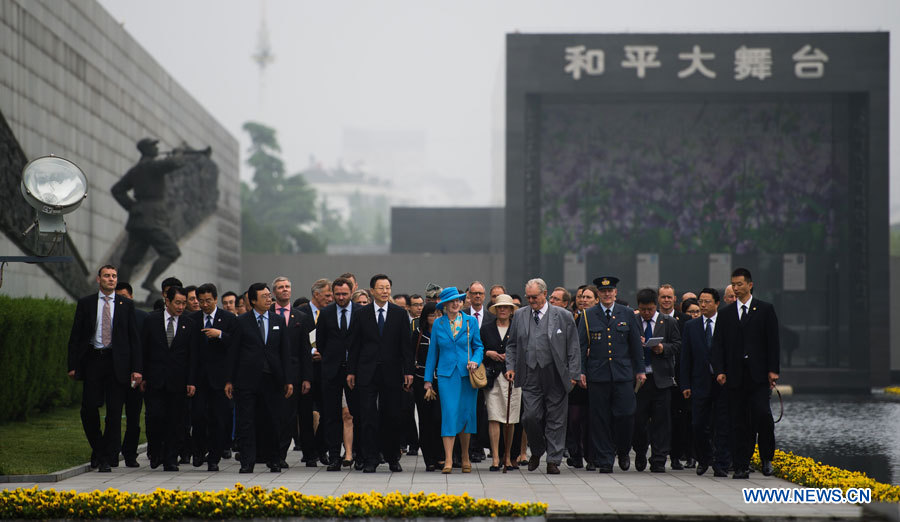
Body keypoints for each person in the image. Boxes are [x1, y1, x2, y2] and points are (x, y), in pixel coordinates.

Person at [67, 265, 142, 472]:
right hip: (93, 360)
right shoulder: (86, 303)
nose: (111, 279)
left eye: (114, 276)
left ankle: (105, 458)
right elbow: (76, 336)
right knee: (89, 409)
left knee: (114, 413)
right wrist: (73, 365)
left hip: (118, 363)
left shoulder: (126, 305)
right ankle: (99, 449)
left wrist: (137, 368)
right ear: (98, 279)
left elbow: (133, 339)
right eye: (107, 276)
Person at [505, 278, 582, 475]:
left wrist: (573, 373)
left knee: (557, 418)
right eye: (528, 297)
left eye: (534, 297)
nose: (531, 300)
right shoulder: (520, 315)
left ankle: (553, 460)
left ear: (545, 294)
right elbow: (512, 344)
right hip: (530, 373)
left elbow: (573, 346)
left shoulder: (563, 316)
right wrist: (511, 366)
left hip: (556, 374)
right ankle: (538, 450)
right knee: (530, 417)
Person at [712, 268, 780, 479]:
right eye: (733, 284)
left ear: (750, 285)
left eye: (740, 284)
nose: (736, 287)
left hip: (758, 376)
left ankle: (767, 457)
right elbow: (718, 345)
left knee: (762, 415)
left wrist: (773, 370)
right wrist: (720, 371)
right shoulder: (725, 314)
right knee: (738, 421)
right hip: (735, 376)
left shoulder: (765, 310)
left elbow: (773, 342)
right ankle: (741, 465)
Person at [347, 274, 414, 473]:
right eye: (381, 288)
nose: (385, 291)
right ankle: (370, 459)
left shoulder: (399, 314)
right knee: (367, 416)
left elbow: (406, 346)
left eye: (388, 288)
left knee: (392, 415)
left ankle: (393, 457)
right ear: (372, 291)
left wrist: (408, 371)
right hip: (366, 372)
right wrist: (351, 371)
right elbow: (354, 345)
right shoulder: (361, 314)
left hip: (392, 372)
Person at [578, 276, 645, 473]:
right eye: (603, 291)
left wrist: (640, 370)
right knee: (600, 419)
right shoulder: (588, 315)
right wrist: (581, 371)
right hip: (598, 375)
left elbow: (635, 345)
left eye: (610, 291)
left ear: (615, 293)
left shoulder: (627, 313)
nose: (607, 294)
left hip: (623, 374)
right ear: (598, 293)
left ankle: (623, 450)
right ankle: (605, 459)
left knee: (625, 414)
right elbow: (582, 346)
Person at [225, 283, 294, 473]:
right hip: (247, 380)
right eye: (263, 296)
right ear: (253, 300)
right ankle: (248, 461)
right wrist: (229, 380)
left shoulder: (278, 320)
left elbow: (284, 352)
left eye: (268, 295)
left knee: (272, 421)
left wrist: (288, 380)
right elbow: (233, 352)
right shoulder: (241, 321)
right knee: (246, 421)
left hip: (272, 379)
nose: (268, 298)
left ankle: (274, 459)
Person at [111, 138, 186, 294]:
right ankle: (149, 282)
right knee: (171, 251)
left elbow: (117, 190)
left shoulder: (137, 169)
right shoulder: (152, 165)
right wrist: (178, 154)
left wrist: (133, 207)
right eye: (153, 145)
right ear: (146, 149)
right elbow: (174, 164)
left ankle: (121, 293)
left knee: (129, 260)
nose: (157, 147)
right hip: (152, 218)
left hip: (138, 219)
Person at [423, 287, 483, 474]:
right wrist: (427, 380)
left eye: (458, 300)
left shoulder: (470, 322)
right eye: (452, 301)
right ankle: (448, 459)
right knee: (449, 414)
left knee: (466, 415)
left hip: (467, 375)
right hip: (446, 376)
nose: (456, 304)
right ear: (445, 305)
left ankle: (465, 456)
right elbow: (432, 354)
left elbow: (479, 347)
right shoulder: (439, 324)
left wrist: (475, 360)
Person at [141, 286, 198, 471]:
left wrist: (191, 381)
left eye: (184, 303)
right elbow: (143, 350)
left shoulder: (189, 323)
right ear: (167, 301)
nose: (181, 307)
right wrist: (140, 374)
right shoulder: (151, 320)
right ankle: (155, 450)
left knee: (176, 421)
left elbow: (192, 356)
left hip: (178, 381)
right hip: (154, 379)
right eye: (178, 303)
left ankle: (170, 458)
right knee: (155, 417)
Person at [680, 287, 731, 477]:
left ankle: (722, 463)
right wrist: (685, 384)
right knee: (698, 424)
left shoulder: (725, 324)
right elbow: (686, 358)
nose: (702, 305)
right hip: (699, 382)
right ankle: (704, 459)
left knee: (722, 424)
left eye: (707, 301)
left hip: (722, 382)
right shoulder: (691, 326)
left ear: (717, 303)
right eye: (701, 301)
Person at [189, 283, 239, 471]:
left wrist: (220, 335)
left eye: (208, 301)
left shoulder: (228, 319)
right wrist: (191, 380)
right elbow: (191, 352)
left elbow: (235, 345)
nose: (204, 305)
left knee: (220, 419)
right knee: (198, 416)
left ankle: (214, 457)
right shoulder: (192, 319)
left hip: (221, 379)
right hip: (200, 379)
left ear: (215, 299)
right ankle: (199, 450)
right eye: (200, 301)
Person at [632, 288, 681, 473]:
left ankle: (659, 459)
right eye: (643, 309)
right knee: (638, 420)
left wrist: (662, 348)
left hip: (661, 379)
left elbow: (677, 344)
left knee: (661, 421)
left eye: (650, 309)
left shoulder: (668, 322)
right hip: (639, 379)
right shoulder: (633, 321)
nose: (646, 313)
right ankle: (640, 451)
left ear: (656, 306)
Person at [316, 277, 361, 471]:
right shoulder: (325, 313)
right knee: (331, 415)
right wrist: (331, 360)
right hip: (332, 371)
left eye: (344, 294)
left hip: (356, 371)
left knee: (358, 413)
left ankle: (359, 455)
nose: (341, 297)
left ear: (351, 293)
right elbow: (321, 342)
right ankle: (334, 456)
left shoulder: (361, 312)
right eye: (337, 294)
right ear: (332, 294)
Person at [270, 277, 314, 469]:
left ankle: (305, 454)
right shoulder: (267, 313)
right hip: (272, 372)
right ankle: (275, 454)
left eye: (288, 286)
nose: (285, 290)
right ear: (274, 292)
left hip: (296, 374)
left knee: (297, 416)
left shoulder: (301, 317)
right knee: (277, 416)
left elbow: (306, 350)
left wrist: (306, 377)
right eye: (280, 287)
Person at [481, 294, 521, 471]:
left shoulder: (518, 328)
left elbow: (525, 350)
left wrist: (512, 358)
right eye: (500, 307)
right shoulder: (486, 328)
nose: (503, 310)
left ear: (511, 310)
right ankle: (495, 457)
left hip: (512, 377)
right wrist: (488, 353)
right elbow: (478, 349)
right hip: (492, 377)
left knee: (510, 418)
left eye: (506, 307)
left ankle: (507, 456)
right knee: (493, 416)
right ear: (495, 309)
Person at [296, 279, 332, 466]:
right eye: (327, 295)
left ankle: (321, 448)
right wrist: (311, 353)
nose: (330, 298)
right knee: (305, 414)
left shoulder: (332, 312)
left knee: (328, 412)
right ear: (316, 294)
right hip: (306, 371)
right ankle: (309, 453)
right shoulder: (300, 314)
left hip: (326, 370)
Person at [114, 282, 148, 468]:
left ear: (131, 297)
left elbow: (145, 349)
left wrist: (142, 373)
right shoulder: (110, 317)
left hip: (136, 376)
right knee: (114, 416)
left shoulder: (142, 318)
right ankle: (112, 452)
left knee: (134, 418)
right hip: (116, 375)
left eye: (125, 297)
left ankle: (130, 454)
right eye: (118, 297)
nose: (122, 301)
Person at [411, 302, 443, 471]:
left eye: (438, 314)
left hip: (441, 380)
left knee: (439, 418)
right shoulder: (418, 334)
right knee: (425, 420)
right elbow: (410, 354)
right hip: (421, 380)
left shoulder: (445, 332)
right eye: (432, 315)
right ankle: (429, 459)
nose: (435, 318)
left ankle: (441, 456)